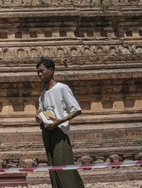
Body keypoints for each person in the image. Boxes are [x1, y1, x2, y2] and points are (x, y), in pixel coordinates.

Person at [35, 57, 85, 188]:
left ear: (51, 70)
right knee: (53, 169)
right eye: (38, 72)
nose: (40, 74)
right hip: (47, 133)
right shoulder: (43, 95)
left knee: (65, 168)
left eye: (42, 71)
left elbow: (76, 110)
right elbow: (40, 112)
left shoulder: (62, 88)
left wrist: (59, 121)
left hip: (60, 133)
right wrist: (39, 115)